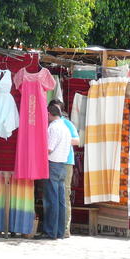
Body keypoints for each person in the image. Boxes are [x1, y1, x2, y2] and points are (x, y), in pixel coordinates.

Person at [36, 103, 72, 240]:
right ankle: (59, 231)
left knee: (51, 200)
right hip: (62, 164)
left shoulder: (53, 127)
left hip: (52, 164)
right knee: (60, 201)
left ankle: (50, 231)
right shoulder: (65, 127)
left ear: (49, 114)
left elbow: (49, 149)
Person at [48, 99, 80, 238]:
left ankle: (63, 230)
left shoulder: (63, 124)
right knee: (60, 197)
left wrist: (61, 142)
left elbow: (77, 141)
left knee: (60, 196)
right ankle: (60, 230)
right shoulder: (59, 125)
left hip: (63, 162)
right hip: (61, 161)